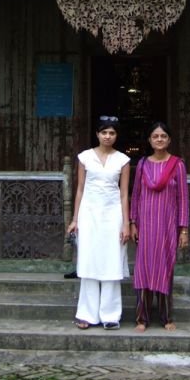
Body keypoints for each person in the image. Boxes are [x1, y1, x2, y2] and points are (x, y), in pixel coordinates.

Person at [67, 116, 130, 329]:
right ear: (97, 134)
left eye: (112, 133)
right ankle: (87, 314)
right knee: (89, 260)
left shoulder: (122, 160)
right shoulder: (85, 157)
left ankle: (110, 315)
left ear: (116, 136)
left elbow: (123, 194)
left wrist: (126, 223)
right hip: (89, 212)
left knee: (111, 260)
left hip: (113, 214)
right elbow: (80, 189)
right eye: (104, 132)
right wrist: (75, 219)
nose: (108, 136)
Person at [130, 121, 189, 331]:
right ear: (149, 140)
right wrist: (133, 222)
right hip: (146, 226)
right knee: (144, 269)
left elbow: (183, 198)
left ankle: (166, 317)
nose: (159, 140)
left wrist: (183, 229)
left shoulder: (177, 165)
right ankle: (142, 318)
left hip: (167, 226)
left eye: (163, 136)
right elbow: (135, 195)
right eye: (155, 136)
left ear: (169, 140)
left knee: (165, 269)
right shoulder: (143, 165)